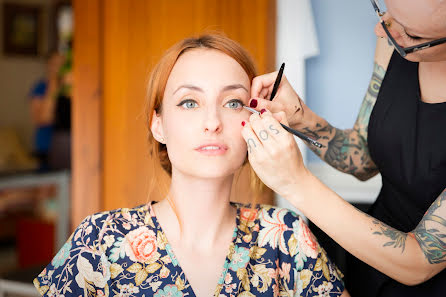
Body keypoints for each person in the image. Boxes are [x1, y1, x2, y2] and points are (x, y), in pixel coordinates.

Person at [33, 34, 348, 297]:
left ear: (255, 118)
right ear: (158, 126)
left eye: (233, 103)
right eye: (189, 102)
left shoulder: (286, 236)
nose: (212, 122)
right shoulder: (97, 240)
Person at [241, 0, 446, 296]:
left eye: (412, 34)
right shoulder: (392, 42)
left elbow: (419, 260)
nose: (382, 30)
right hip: (366, 263)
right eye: (385, 11)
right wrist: (300, 116)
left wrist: (295, 182)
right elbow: (361, 159)